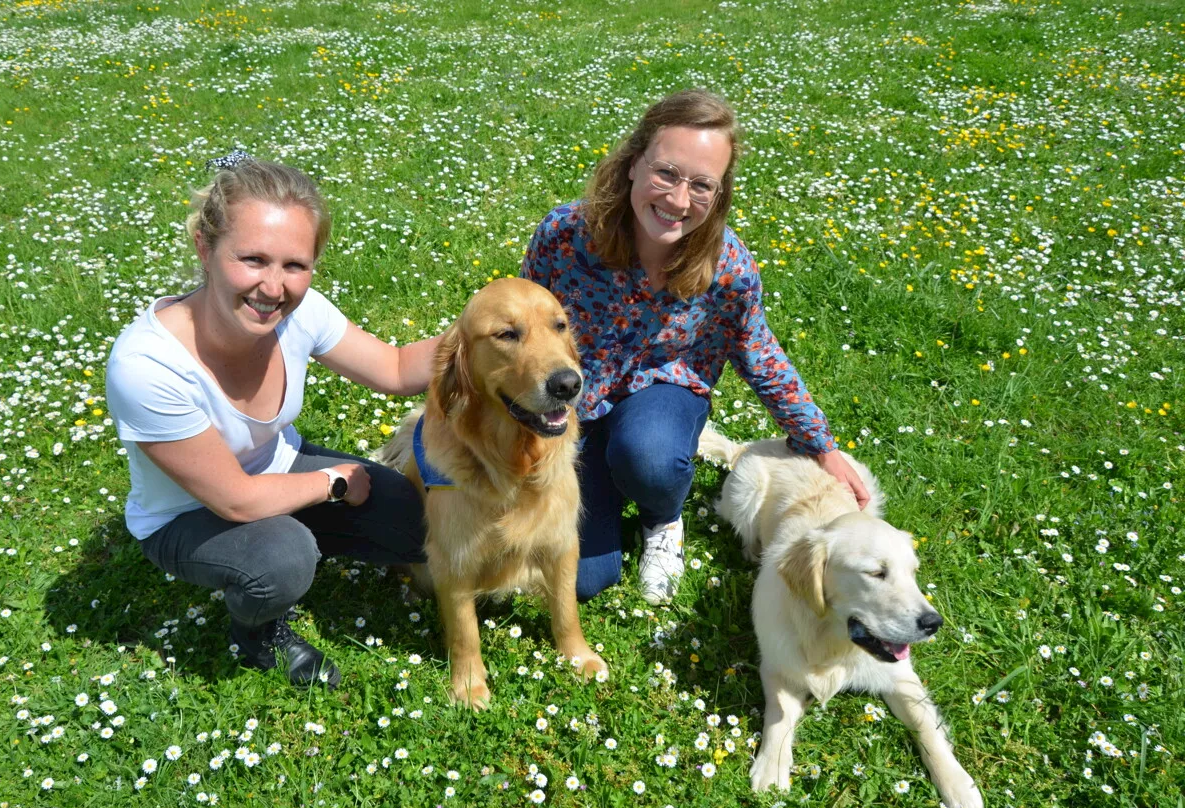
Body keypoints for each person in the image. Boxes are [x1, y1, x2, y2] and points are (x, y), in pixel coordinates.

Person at [520, 90, 869, 606]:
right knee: (587, 580)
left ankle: (662, 518)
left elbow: (761, 356)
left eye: (701, 184)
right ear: (633, 164)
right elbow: (525, 327)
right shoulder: (566, 235)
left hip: (660, 395)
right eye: (666, 173)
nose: (680, 201)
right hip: (571, 404)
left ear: (719, 192)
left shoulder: (729, 268)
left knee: (650, 455)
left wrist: (820, 445)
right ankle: (604, 482)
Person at [106, 156, 440, 689]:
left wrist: (489, 329)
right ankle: (256, 632)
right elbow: (235, 500)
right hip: (188, 515)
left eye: (295, 266)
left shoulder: (299, 314)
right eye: (253, 259)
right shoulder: (146, 367)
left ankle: (299, 537)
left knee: (422, 527)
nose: (273, 287)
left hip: (277, 470)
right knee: (280, 559)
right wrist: (332, 483)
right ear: (205, 249)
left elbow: (396, 369)